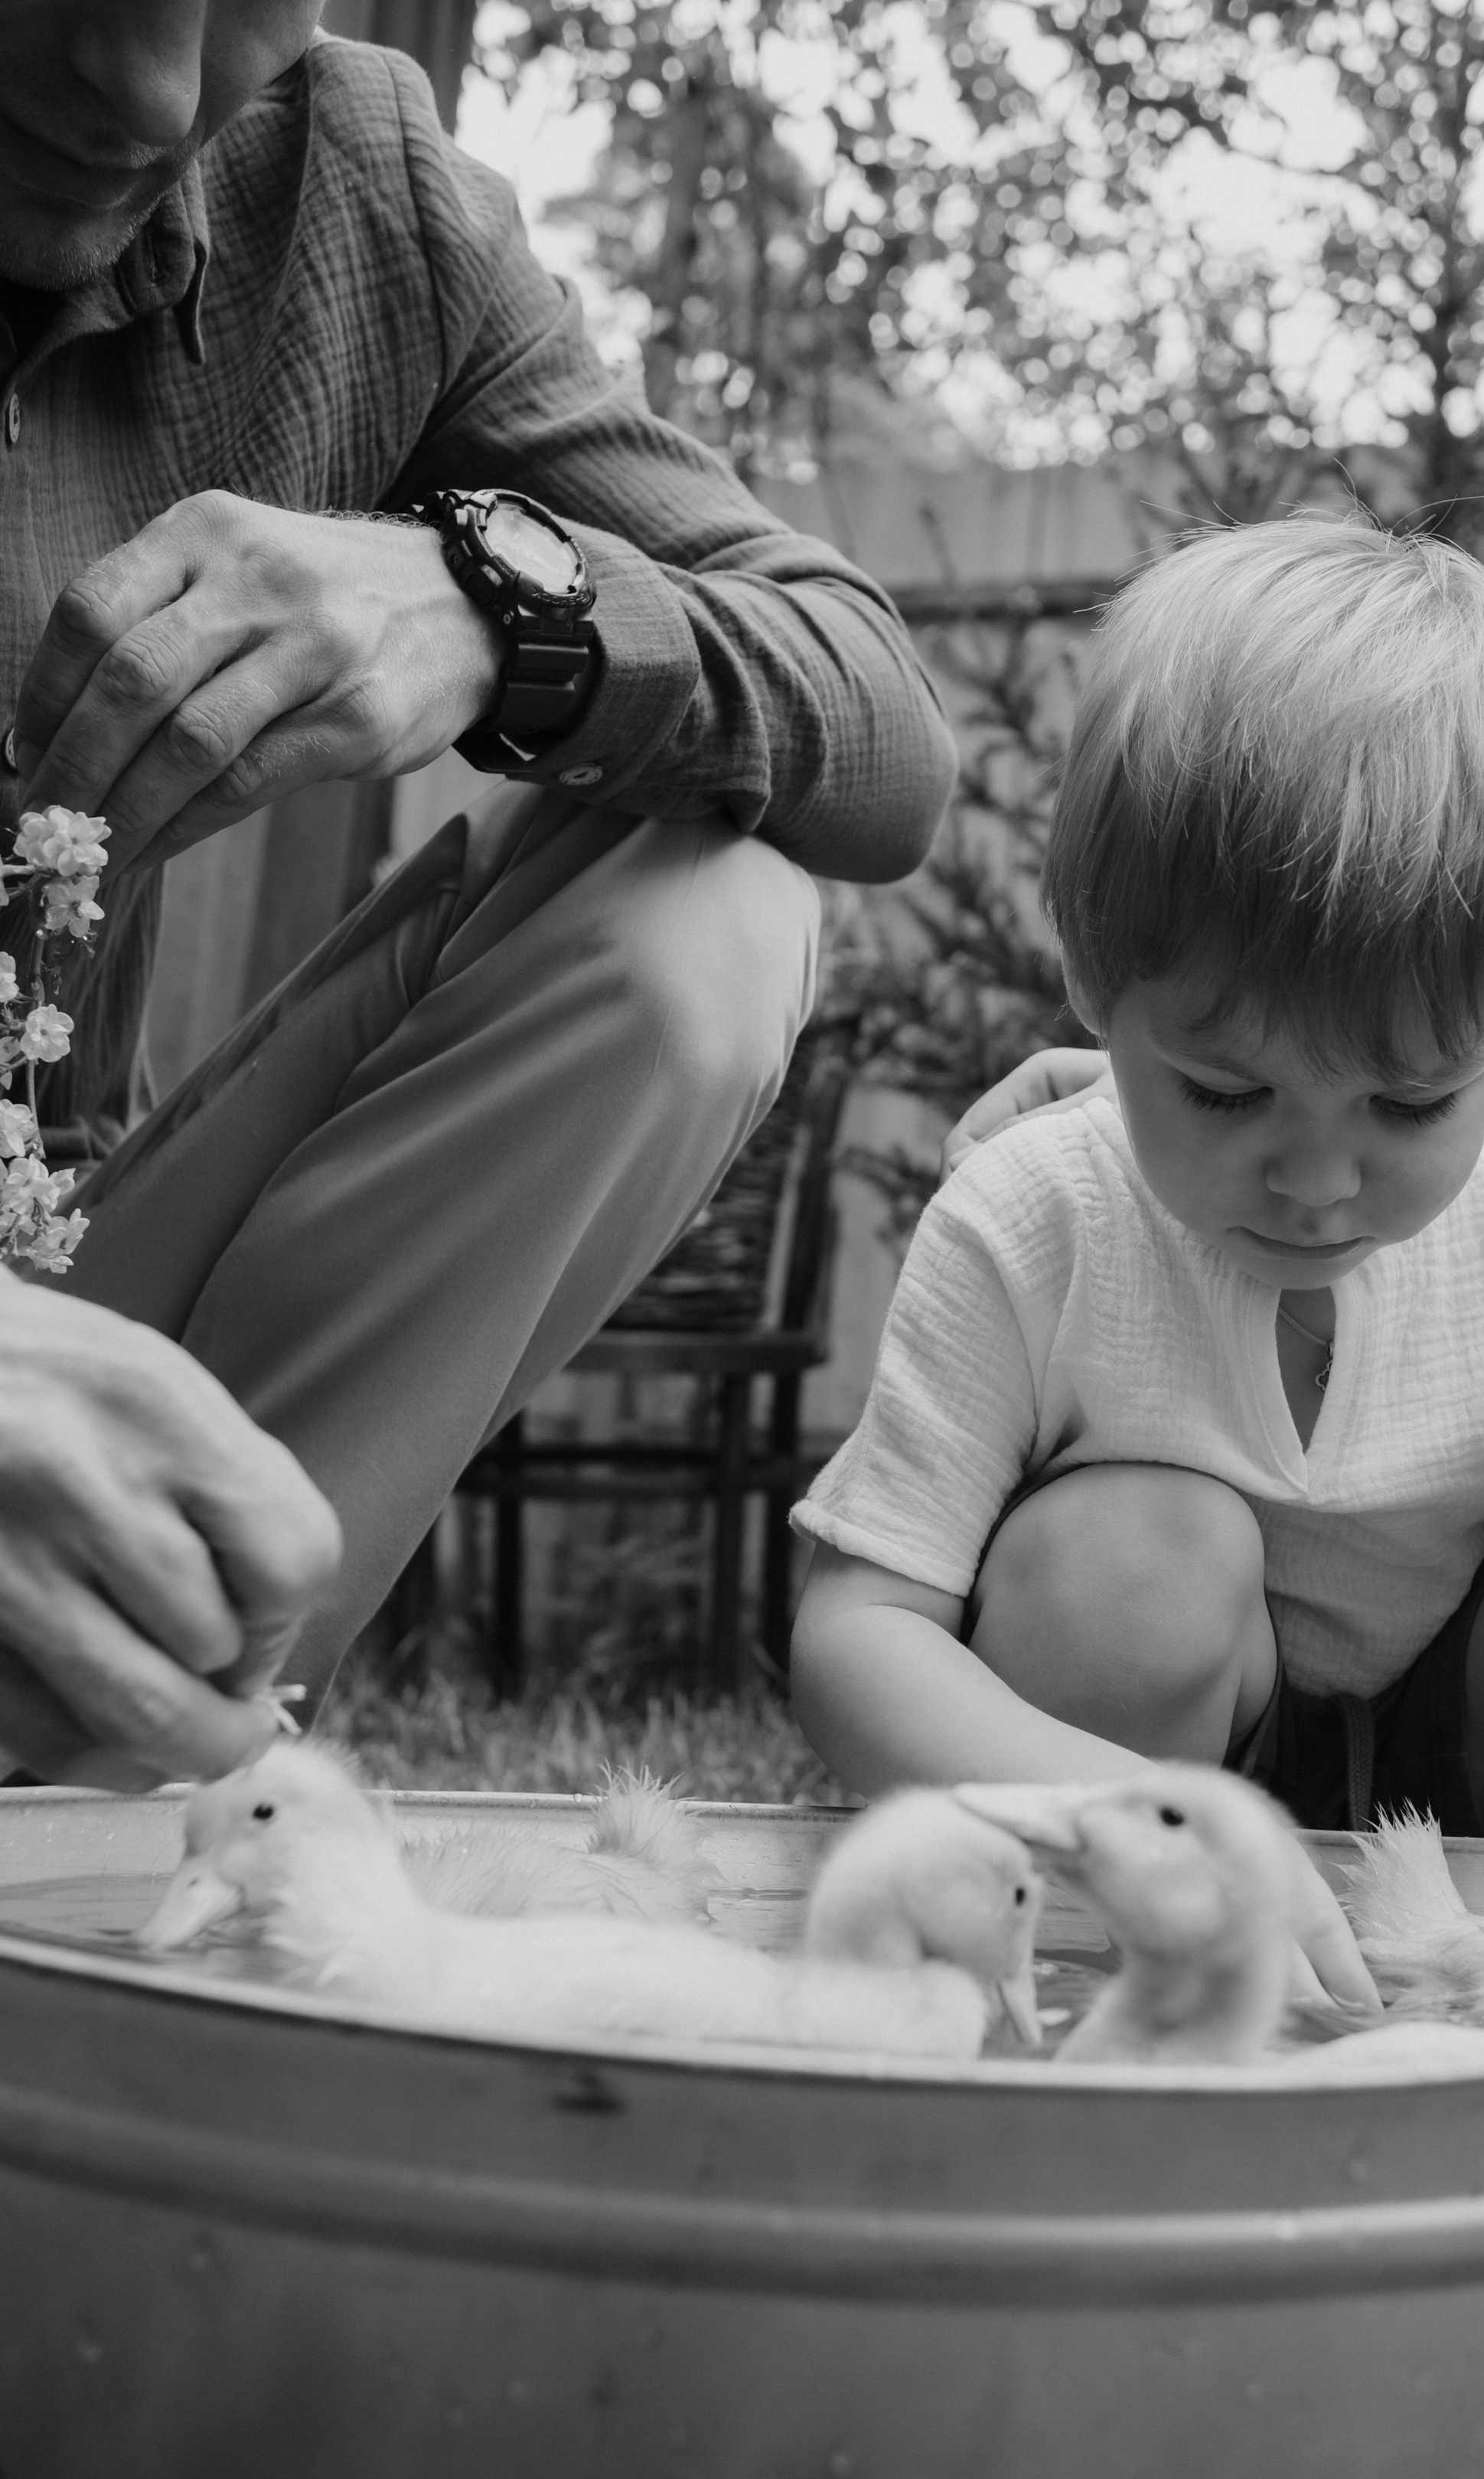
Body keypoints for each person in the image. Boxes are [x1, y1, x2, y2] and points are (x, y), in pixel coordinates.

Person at [0, 0, 956, 1789]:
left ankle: (130, 1760)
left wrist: (501, 603)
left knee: (701, 915)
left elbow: (882, 730)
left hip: (77, 1299)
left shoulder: (351, 199)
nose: (148, 91)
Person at [788, 516, 1484, 1838]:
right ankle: (1135, 1953)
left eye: (1411, 1104)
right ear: (1091, 978)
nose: (1317, 1183)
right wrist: (1127, 1819)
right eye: (1226, 1092)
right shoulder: (1036, 1217)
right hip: (1137, 1800)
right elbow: (858, 1632)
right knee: (1132, 1557)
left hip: (1480, 1765)